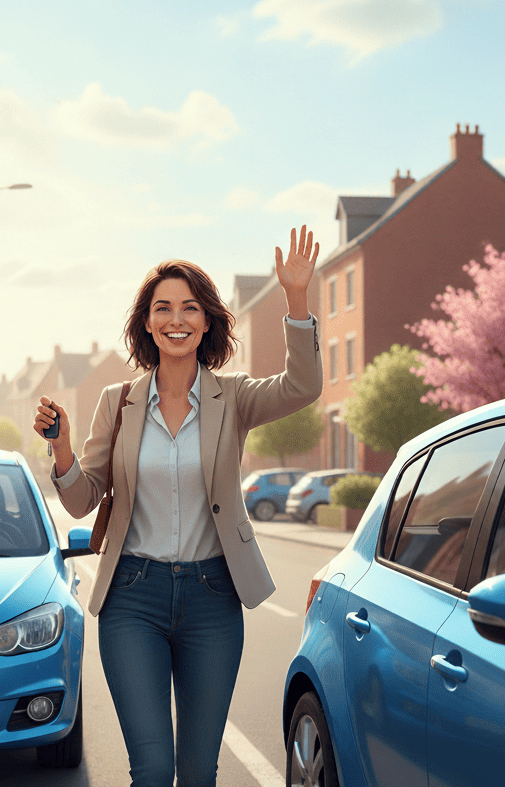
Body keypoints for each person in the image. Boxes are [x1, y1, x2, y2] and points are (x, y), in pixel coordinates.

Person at [33, 225, 322, 787]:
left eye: (190, 308)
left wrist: (296, 299)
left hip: (212, 599)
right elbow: (82, 500)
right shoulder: (116, 403)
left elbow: (304, 386)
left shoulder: (232, 397)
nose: (177, 319)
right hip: (131, 600)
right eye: (162, 308)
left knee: (195, 772)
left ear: (207, 321)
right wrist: (63, 450)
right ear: (147, 322)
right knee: (152, 769)